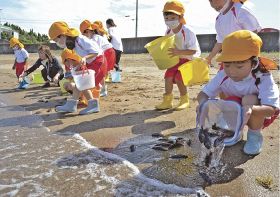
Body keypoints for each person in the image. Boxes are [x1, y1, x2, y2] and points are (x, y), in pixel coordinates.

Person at [197, 30, 279, 155]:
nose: (232, 72)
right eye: (227, 65)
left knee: (249, 99)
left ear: (254, 63)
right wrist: (203, 105)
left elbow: (271, 109)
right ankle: (234, 130)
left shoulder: (262, 77)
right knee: (225, 100)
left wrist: (249, 108)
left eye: (239, 66)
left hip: (259, 114)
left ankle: (254, 136)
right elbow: (203, 94)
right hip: (234, 108)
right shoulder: (223, 75)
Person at [48, 21, 105, 115]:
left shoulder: (80, 40)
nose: (57, 43)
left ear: (62, 35)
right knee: (81, 83)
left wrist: (84, 59)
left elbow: (95, 52)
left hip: (98, 61)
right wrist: (80, 65)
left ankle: (79, 105)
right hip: (93, 61)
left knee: (82, 82)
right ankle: (85, 104)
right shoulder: (73, 43)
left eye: (56, 40)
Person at [155, 0, 201, 111]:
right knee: (168, 77)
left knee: (179, 78)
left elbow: (193, 51)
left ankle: (184, 100)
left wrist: (178, 52)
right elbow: (167, 46)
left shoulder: (188, 31)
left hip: (189, 59)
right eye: (166, 19)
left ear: (181, 17)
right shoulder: (168, 31)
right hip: (176, 59)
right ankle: (167, 101)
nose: (169, 21)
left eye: (172, 18)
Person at [205, 0, 261, 66]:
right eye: (210, 1)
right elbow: (220, 42)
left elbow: (253, 33)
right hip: (229, 60)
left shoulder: (240, 10)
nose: (212, 4)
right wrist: (209, 58)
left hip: (246, 60)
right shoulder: (219, 19)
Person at [57, 49, 100, 114]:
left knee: (80, 86)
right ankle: (92, 105)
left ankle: (73, 105)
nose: (67, 64)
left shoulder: (81, 64)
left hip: (92, 88)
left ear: (70, 59)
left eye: (67, 61)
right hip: (86, 86)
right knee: (80, 86)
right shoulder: (75, 66)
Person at [80, 20, 116, 96]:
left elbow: (97, 51)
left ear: (88, 31)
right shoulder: (96, 37)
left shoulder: (94, 38)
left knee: (100, 72)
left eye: (84, 34)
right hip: (109, 52)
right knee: (101, 72)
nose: (84, 36)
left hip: (108, 52)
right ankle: (101, 88)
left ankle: (102, 89)